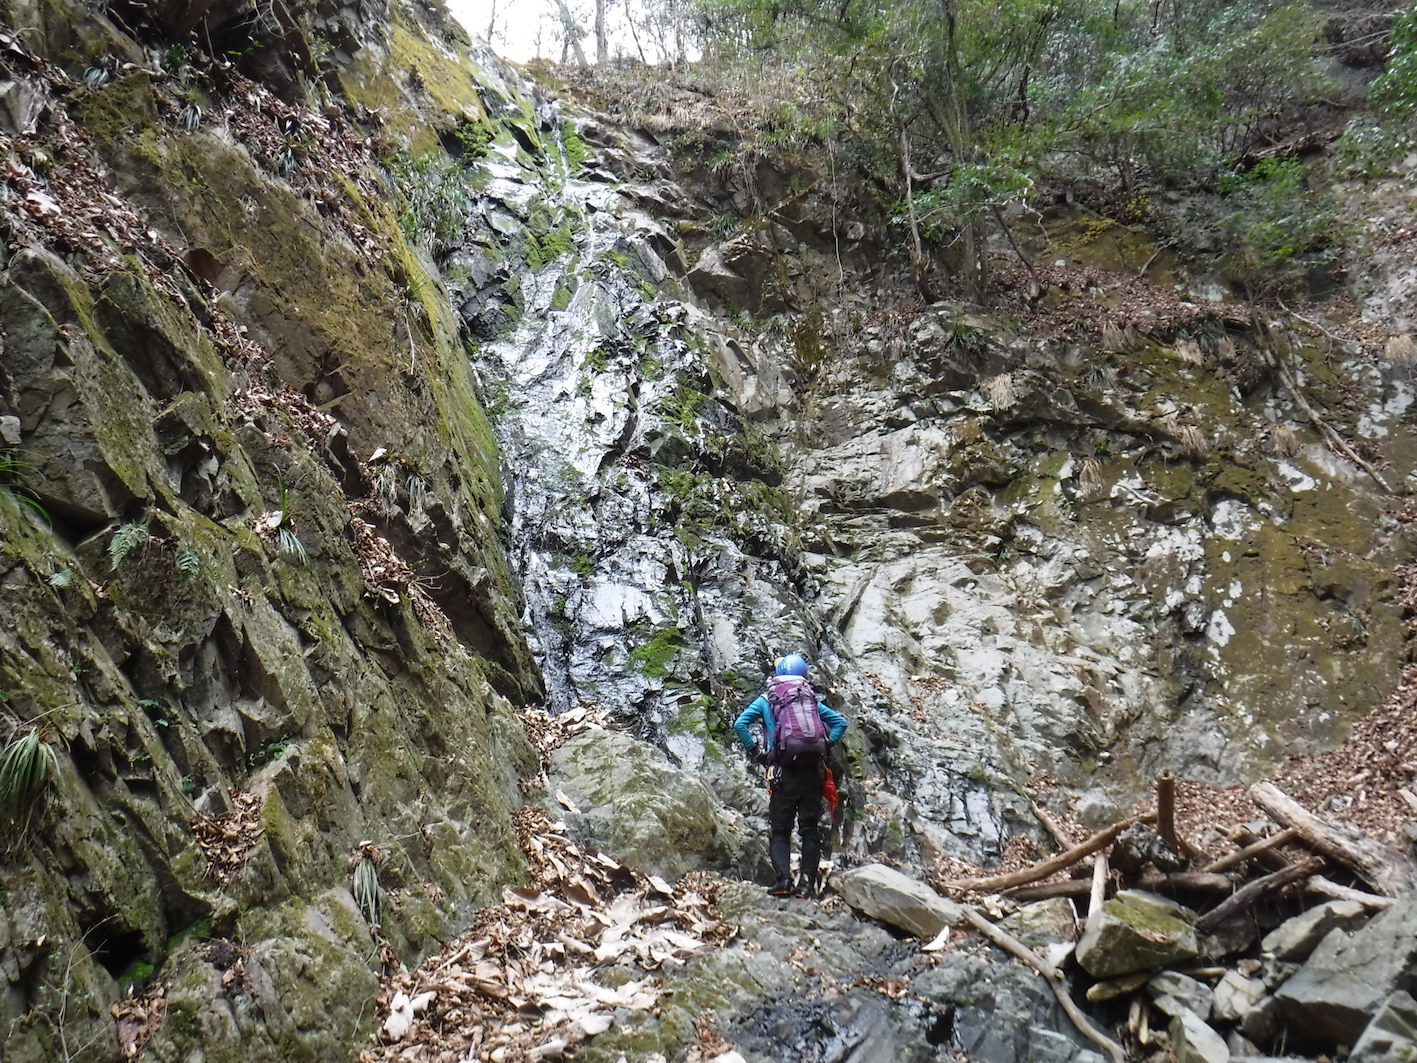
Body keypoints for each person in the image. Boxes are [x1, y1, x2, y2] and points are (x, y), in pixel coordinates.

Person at [733, 653, 848, 898]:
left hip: (783, 772)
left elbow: (740, 724)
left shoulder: (768, 699)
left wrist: (758, 753)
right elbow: (840, 723)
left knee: (780, 830)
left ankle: (783, 881)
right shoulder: (809, 700)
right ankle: (805, 884)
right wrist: (826, 745)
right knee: (809, 829)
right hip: (813, 772)